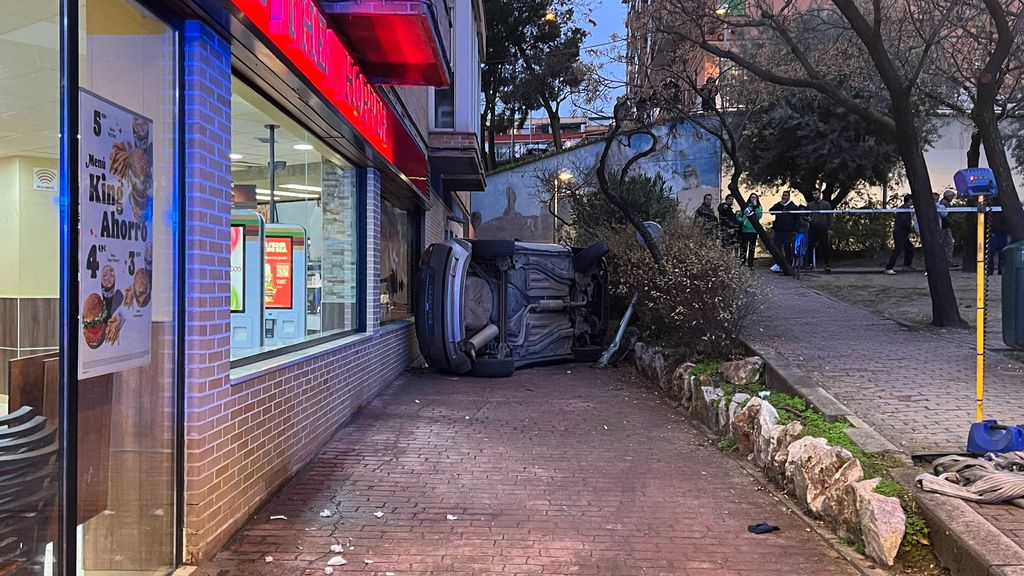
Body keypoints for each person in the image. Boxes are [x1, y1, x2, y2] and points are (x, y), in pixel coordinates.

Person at [769, 190, 802, 272]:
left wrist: (795, 229)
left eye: (786, 195)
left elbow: (797, 219)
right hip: (779, 230)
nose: (784, 197)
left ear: (789, 196)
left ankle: (788, 264)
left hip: (788, 231)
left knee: (788, 248)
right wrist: (779, 204)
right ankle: (778, 263)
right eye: (783, 195)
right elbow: (771, 211)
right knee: (777, 248)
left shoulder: (793, 206)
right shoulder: (779, 205)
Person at [885, 194, 915, 274]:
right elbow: (904, 221)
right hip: (900, 232)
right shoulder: (904, 208)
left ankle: (906, 265)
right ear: (909, 200)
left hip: (902, 232)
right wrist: (910, 228)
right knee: (898, 250)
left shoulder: (906, 208)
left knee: (910, 248)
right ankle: (889, 267)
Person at [806, 189, 833, 272]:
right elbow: (805, 215)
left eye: (816, 193)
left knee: (825, 246)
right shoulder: (810, 205)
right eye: (813, 194)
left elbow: (830, 217)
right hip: (813, 228)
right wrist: (808, 219)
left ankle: (827, 264)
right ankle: (809, 264)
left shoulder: (826, 204)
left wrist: (830, 228)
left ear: (820, 194)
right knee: (810, 246)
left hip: (823, 228)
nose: (814, 195)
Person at [736, 193, 763, 269]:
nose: (753, 199)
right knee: (743, 247)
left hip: (753, 230)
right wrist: (742, 221)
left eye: (755, 197)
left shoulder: (759, 207)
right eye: (752, 197)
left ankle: (750, 264)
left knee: (752, 248)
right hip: (745, 230)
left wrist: (755, 206)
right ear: (749, 198)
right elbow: (739, 216)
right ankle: (742, 263)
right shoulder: (745, 206)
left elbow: (759, 216)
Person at [940, 189, 956, 266]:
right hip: (945, 227)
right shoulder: (945, 203)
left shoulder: (942, 202)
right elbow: (945, 215)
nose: (952, 198)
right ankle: (948, 261)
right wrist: (950, 221)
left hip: (943, 226)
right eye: (952, 197)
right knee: (948, 244)